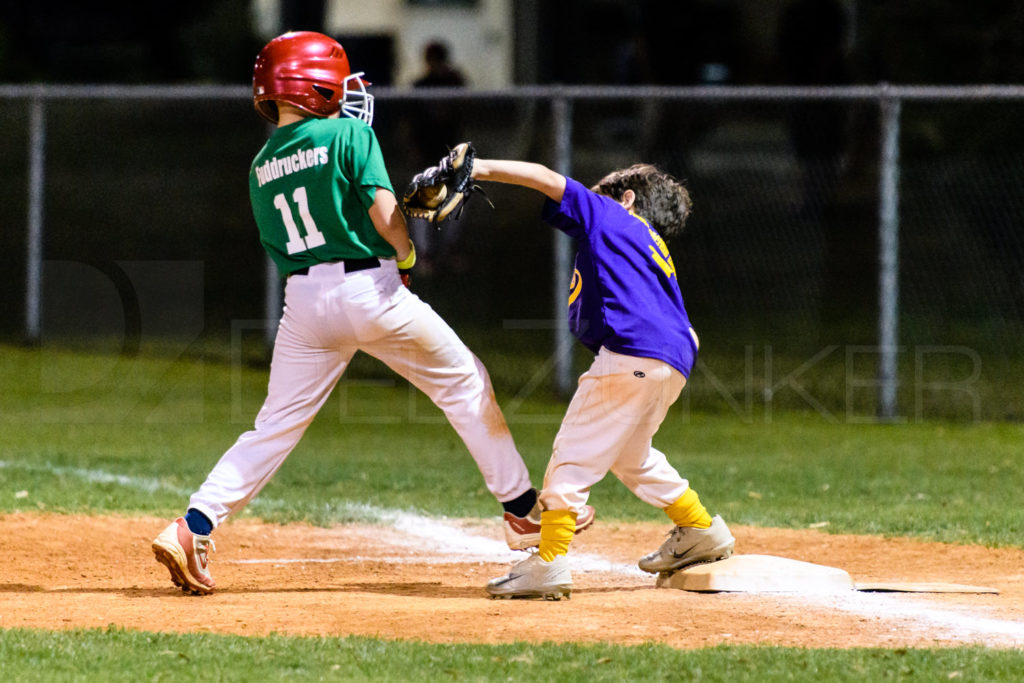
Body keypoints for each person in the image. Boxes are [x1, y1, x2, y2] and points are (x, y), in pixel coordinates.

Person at [151, 31, 592, 595]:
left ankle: (194, 526)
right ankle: (522, 509)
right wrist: (406, 256)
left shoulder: (262, 162)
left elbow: (278, 245)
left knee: (273, 427)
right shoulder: (348, 132)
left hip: (303, 303)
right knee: (464, 381)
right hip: (370, 289)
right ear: (312, 83)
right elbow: (385, 216)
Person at [464, 157, 735, 599]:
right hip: (674, 358)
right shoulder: (645, 242)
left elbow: (547, 180)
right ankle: (700, 528)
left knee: (571, 455)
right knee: (633, 456)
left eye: (602, 191)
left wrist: (478, 168)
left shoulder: (614, 216)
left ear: (628, 200)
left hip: (632, 352)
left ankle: (549, 562)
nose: (590, 197)